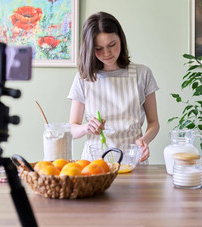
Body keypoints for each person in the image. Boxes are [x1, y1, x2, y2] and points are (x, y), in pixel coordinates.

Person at [67, 11, 159, 163]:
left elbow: (154, 123)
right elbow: (72, 129)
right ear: (90, 49)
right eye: (98, 48)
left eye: (112, 45)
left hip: (133, 160)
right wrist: (86, 127)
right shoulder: (84, 77)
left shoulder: (142, 74)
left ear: (121, 40)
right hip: (95, 163)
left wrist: (144, 140)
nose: (107, 53)